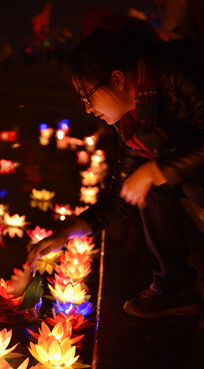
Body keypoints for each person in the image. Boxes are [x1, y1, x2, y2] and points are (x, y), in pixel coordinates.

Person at [27, 27, 204, 319]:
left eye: (88, 97)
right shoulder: (131, 126)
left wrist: (155, 170)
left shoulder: (178, 69)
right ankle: (175, 290)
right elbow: (122, 195)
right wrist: (67, 233)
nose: (87, 110)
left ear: (118, 79)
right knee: (149, 186)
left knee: (159, 180)